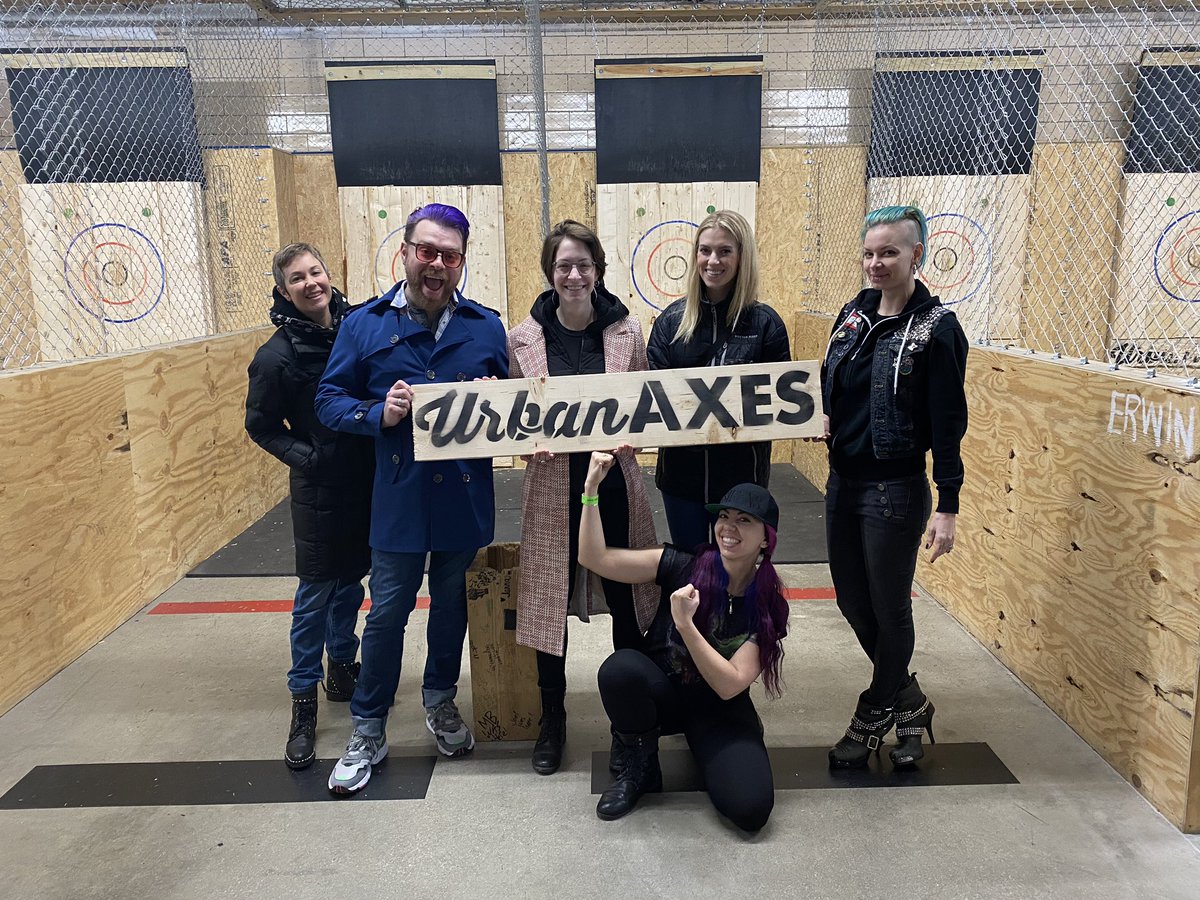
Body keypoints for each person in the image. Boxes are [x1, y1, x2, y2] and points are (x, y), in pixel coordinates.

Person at [315, 203, 509, 794]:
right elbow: (327, 400)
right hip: (397, 502)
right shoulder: (363, 326)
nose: (437, 265)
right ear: (404, 252)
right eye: (426, 251)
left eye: (449, 255)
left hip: (464, 501)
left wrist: (496, 397)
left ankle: (440, 701)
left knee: (452, 611)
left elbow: (516, 406)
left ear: (461, 263)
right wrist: (377, 413)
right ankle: (368, 727)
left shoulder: (485, 327)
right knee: (388, 616)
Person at [818, 205, 968, 769]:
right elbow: (835, 385)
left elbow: (950, 422)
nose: (876, 263)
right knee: (855, 604)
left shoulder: (936, 328)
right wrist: (823, 415)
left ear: (916, 256)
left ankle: (873, 712)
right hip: (843, 485)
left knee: (889, 608)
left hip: (895, 492)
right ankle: (911, 703)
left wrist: (948, 503)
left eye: (889, 252)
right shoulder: (852, 317)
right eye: (870, 252)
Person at [507, 220, 659, 776]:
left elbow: (643, 407)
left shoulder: (627, 333)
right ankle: (554, 717)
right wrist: (527, 446)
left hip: (614, 486)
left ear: (597, 271)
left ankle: (631, 719)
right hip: (553, 489)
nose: (574, 275)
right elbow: (510, 419)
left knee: (627, 599)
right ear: (550, 272)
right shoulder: (521, 339)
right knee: (551, 601)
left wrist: (632, 438)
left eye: (583, 265)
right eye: (564, 265)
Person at [577, 451, 789, 832]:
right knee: (621, 670)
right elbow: (595, 558)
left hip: (718, 707)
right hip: (665, 696)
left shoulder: (768, 603)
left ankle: (712, 746)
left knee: (751, 810)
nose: (728, 527)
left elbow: (729, 685)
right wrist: (591, 490)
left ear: (765, 540)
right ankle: (641, 764)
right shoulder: (682, 564)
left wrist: (686, 626)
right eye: (724, 516)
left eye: (744, 521)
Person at [245, 242, 374, 771]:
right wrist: (309, 457)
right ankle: (304, 700)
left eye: (315, 272)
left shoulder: (360, 326)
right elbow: (261, 426)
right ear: (283, 290)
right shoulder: (276, 356)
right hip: (319, 489)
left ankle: (342, 665)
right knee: (316, 592)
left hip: (366, 481)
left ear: (329, 275)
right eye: (297, 278)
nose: (310, 283)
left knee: (352, 582)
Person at [646, 209, 791, 551]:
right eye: (705, 250)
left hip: (743, 481)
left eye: (725, 251)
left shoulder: (765, 324)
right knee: (692, 570)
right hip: (681, 478)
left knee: (739, 576)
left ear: (742, 257)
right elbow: (651, 396)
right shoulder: (671, 323)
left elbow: (783, 400)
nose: (713, 260)